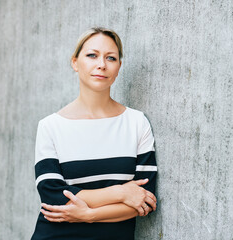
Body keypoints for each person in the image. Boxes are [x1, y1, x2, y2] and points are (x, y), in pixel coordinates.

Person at [31, 26, 158, 240]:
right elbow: (53, 196)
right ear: (75, 62)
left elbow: (145, 199)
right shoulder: (51, 126)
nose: (101, 65)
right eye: (92, 55)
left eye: (111, 58)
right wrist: (121, 192)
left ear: (119, 67)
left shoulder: (137, 123)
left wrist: (89, 214)